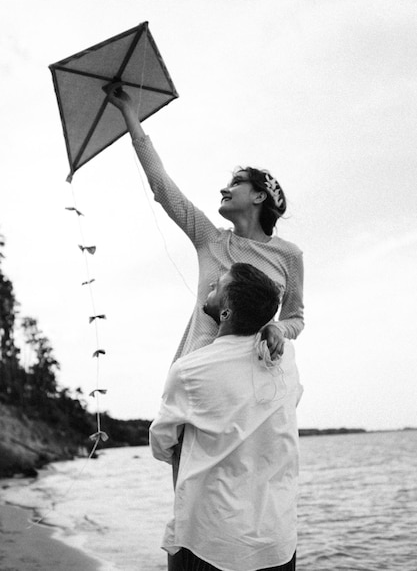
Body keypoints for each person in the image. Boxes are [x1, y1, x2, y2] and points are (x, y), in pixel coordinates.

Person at [108, 86, 304, 367]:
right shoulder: (209, 239)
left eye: (236, 183)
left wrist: (278, 329)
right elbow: (162, 186)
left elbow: (294, 318)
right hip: (196, 368)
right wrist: (130, 114)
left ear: (260, 196)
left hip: (252, 378)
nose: (224, 189)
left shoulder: (289, 256)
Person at [150, 262, 303, 571]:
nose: (210, 288)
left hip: (211, 544)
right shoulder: (284, 358)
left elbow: (161, 444)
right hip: (278, 542)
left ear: (226, 312)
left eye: (217, 286)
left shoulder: (189, 370)